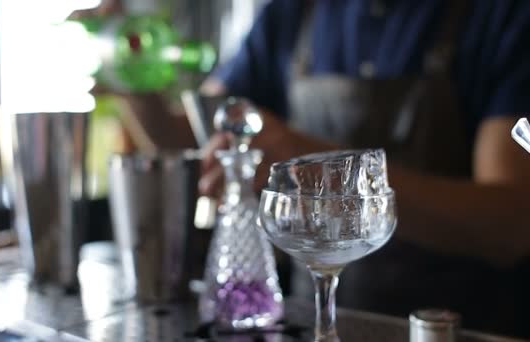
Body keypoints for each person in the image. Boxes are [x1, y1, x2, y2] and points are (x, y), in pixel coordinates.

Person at [198, 0, 530, 337]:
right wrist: (145, 84)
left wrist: (314, 162)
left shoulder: (502, 15)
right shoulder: (292, 10)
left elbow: (513, 225)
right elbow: (204, 123)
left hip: (451, 326)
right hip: (306, 315)